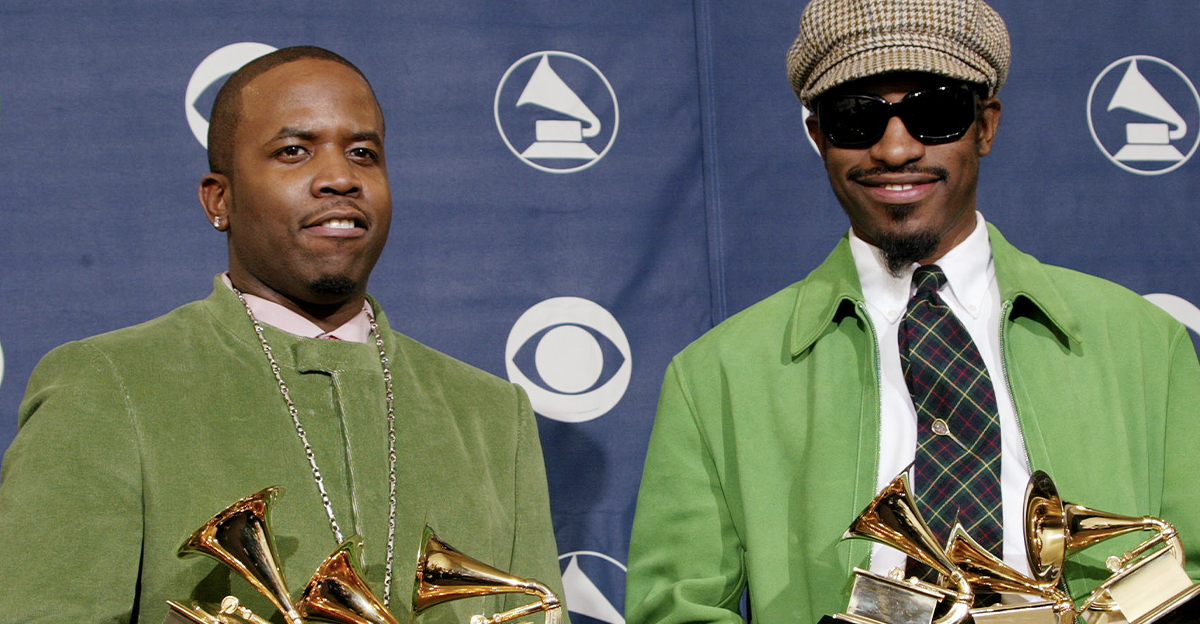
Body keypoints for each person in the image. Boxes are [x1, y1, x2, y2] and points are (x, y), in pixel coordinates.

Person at [625, 1, 1200, 623]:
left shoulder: (1145, 344)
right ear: (818, 138)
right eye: (855, 119)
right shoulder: (716, 376)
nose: (896, 149)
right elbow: (675, 612)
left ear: (986, 126)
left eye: (935, 112)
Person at [0, 46, 565, 624]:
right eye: (294, 151)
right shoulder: (107, 386)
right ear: (220, 199)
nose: (341, 177)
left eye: (363, 153)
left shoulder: (492, 413)